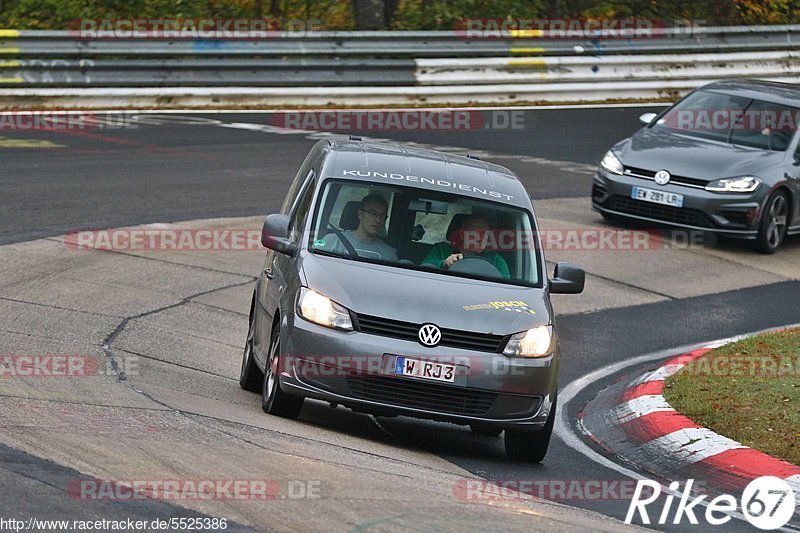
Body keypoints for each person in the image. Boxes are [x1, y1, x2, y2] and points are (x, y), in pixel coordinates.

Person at [422, 214, 510, 279]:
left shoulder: (497, 261)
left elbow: (506, 288)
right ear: (462, 234)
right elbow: (423, 270)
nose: (481, 239)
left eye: (485, 234)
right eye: (476, 233)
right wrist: (443, 264)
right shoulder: (442, 250)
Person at [319, 194, 398, 261]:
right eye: (372, 213)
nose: (378, 220)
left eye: (382, 215)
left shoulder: (389, 254)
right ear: (360, 214)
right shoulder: (332, 241)